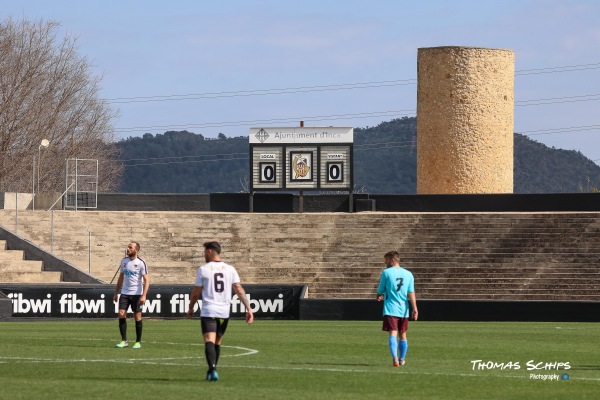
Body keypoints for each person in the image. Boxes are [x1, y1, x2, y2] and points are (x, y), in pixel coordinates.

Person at [186, 241, 254, 382]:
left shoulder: (203, 269)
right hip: (224, 312)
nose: (204, 254)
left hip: (209, 310)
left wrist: (191, 307)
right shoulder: (230, 269)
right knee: (217, 342)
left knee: (209, 341)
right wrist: (248, 308)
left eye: (205, 251)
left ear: (210, 251)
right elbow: (239, 289)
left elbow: (195, 293)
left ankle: (212, 369)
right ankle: (213, 369)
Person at [376, 250, 418, 367]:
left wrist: (379, 294)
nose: (386, 262)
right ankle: (402, 359)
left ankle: (395, 358)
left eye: (387, 260)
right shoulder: (409, 274)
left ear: (392, 260)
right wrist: (415, 308)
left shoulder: (386, 273)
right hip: (404, 310)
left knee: (393, 334)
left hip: (391, 309)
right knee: (403, 334)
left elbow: (381, 288)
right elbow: (411, 292)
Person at [113, 241, 150, 349]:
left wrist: (144, 295)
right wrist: (116, 293)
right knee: (121, 313)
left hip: (136, 293)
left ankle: (138, 341)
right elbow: (120, 278)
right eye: (128, 247)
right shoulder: (124, 261)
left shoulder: (141, 263)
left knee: (137, 316)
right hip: (124, 292)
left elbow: (147, 280)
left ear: (136, 250)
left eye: (130, 247)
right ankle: (124, 341)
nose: (128, 249)